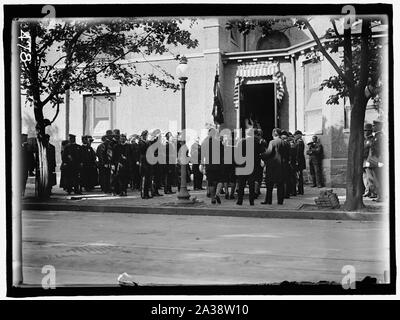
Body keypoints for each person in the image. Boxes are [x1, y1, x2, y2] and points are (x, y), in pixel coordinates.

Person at [236, 128, 261, 206]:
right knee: (251, 184)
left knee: (241, 184)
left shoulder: (241, 142)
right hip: (252, 165)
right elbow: (260, 154)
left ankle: (239, 201)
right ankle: (251, 201)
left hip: (242, 165)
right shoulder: (257, 142)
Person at [260, 128, 286, 205]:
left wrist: (261, 155)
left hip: (272, 166)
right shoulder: (284, 143)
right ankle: (280, 201)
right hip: (282, 166)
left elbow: (268, 153)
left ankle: (268, 200)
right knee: (280, 184)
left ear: (273, 135)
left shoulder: (272, 142)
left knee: (269, 185)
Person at [201, 128, 222, 204]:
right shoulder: (218, 142)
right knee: (219, 180)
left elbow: (202, 155)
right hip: (217, 164)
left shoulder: (204, 143)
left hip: (208, 165)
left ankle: (213, 198)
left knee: (210, 182)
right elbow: (222, 153)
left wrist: (202, 164)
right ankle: (217, 194)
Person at [369, 120, 384, 202]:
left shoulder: (380, 136)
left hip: (379, 162)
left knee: (379, 179)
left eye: (374, 126)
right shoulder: (376, 137)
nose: (373, 127)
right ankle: (379, 196)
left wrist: (381, 161)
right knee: (376, 180)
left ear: (379, 126)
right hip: (374, 161)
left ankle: (381, 197)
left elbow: (383, 150)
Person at [362, 123, 376, 198]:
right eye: (364, 130)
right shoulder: (365, 139)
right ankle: (367, 191)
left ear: (370, 131)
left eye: (366, 130)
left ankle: (373, 193)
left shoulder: (371, 139)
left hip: (368, 161)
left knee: (370, 178)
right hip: (363, 161)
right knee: (365, 177)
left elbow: (370, 151)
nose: (365, 132)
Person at [139, 130, 152, 199]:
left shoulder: (147, 142)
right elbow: (143, 150)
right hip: (143, 161)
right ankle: (143, 194)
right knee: (144, 179)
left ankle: (147, 193)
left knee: (148, 179)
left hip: (148, 161)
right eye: (146, 135)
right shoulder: (141, 142)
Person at [294, 130, 306, 195]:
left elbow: (298, 153)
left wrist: (296, 161)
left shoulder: (299, 142)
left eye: (295, 135)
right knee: (299, 176)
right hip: (300, 161)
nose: (294, 137)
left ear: (299, 135)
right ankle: (300, 190)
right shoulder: (298, 141)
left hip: (299, 162)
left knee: (299, 176)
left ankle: (300, 190)